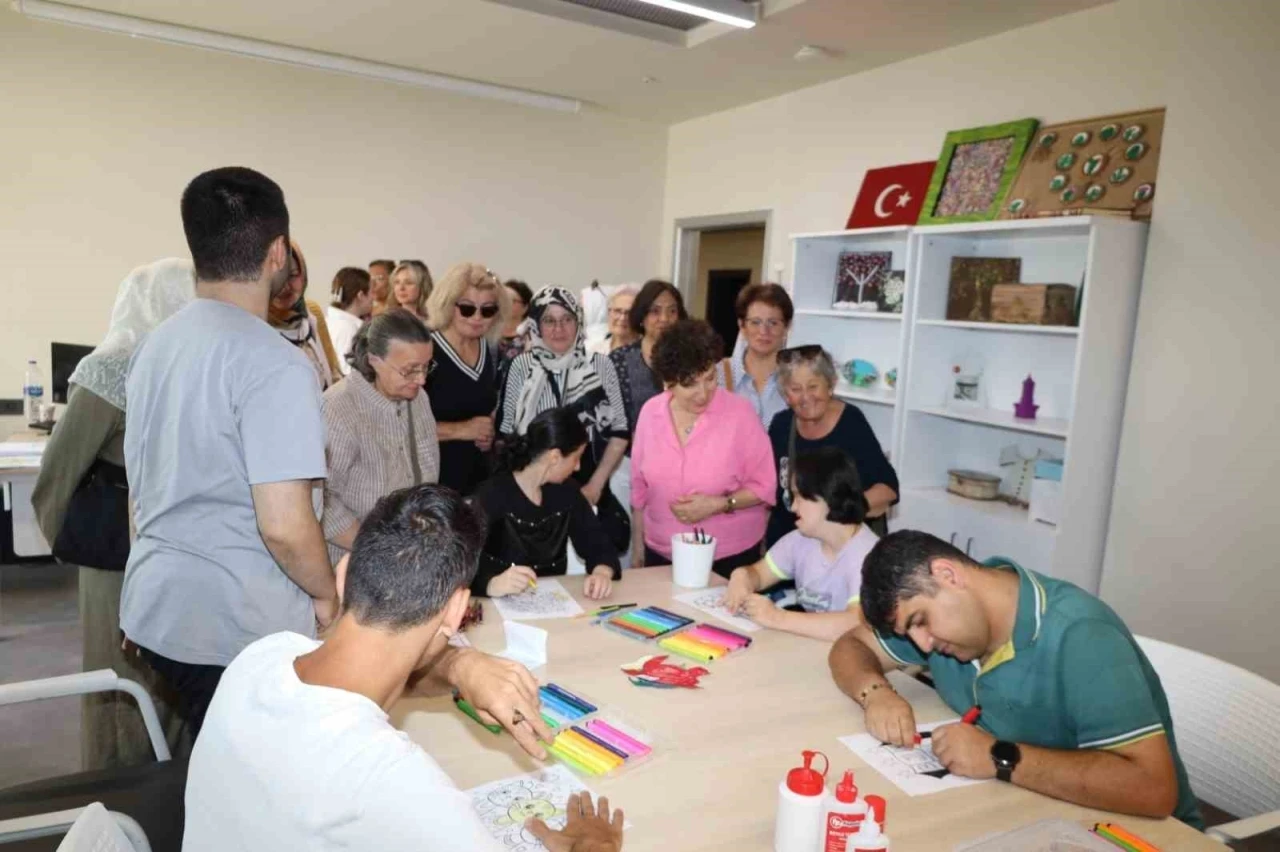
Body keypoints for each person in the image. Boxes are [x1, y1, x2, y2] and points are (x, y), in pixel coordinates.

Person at [183, 483, 625, 852]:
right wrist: (595, 845)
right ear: (457, 611)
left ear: (344, 573)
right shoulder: (393, 783)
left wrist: (460, 664)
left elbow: (374, 667)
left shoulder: (261, 657)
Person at [121, 167, 338, 737]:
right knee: (255, 768)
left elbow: (139, 491)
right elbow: (284, 527)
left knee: (211, 752)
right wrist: (326, 597)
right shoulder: (276, 364)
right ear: (278, 253)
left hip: (159, 607)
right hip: (235, 623)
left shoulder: (153, 347)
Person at [829, 530, 1202, 828]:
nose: (923, 644)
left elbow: (1154, 789)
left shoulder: (1081, 635)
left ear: (948, 575)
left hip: (1132, 832)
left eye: (920, 621)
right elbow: (851, 646)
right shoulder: (949, 630)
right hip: (1026, 811)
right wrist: (875, 691)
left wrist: (998, 757)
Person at [31, 258, 195, 769]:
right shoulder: (110, 369)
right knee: (119, 680)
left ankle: (169, 793)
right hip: (118, 559)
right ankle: (116, 792)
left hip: (181, 550)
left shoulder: (193, 368)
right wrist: (75, 540)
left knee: (174, 679)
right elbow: (60, 469)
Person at [630, 319, 775, 576]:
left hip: (729, 556)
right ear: (668, 382)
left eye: (710, 379)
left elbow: (764, 486)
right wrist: (638, 544)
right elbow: (639, 487)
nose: (703, 393)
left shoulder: (740, 413)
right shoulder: (651, 413)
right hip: (661, 552)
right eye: (690, 384)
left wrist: (720, 504)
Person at [499, 288, 629, 530]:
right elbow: (507, 431)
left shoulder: (600, 365)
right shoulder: (521, 365)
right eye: (549, 320)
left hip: (586, 485)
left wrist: (596, 485)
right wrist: (526, 489)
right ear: (536, 325)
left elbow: (620, 431)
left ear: (578, 321)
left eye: (567, 319)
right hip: (532, 487)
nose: (559, 329)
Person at [323, 309, 439, 566]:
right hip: (352, 562)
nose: (421, 379)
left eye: (427, 366)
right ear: (374, 359)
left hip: (409, 556)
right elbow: (322, 499)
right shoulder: (337, 408)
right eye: (410, 370)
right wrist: (377, 548)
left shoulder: (419, 398)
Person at [724, 447, 877, 641]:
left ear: (829, 497)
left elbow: (856, 623)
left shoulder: (869, 555)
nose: (793, 506)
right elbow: (759, 574)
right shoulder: (801, 539)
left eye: (800, 497)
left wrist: (777, 617)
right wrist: (741, 577)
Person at [474, 408, 618, 600]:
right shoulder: (493, 494)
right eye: (576, 458)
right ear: (554, 457)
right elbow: (459, 564)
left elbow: (599, 546)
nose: (578, 467)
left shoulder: (567, 491)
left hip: (553, 602)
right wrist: (491, 584)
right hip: (496, 604)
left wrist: (602, 573)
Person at [767, 345, 898, 544]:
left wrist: (837, 515)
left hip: (838, 548)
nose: (806, 397)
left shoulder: (851, 422)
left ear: (830, 386)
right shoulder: (781, 425)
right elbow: (771, 490)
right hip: (787, 544)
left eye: (813, 387)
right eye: (796, 389)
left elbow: (888, 489)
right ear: (785, 394)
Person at [607, 280, 686, 531]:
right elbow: (614, 421)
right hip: (628, 466)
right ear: (641, 316)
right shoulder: (619, 360)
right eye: (655, 311)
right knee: (629, 542)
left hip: (682, 470)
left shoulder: (691, 360)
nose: (664, 318)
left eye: (672, 311)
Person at [426, 262, 510, 495]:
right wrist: (460, 430)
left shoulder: (492, 351)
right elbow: (399, 425)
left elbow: (490, 407)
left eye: (488, 310)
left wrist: (489, 431)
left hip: (479, 485)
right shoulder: (424, 351)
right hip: (431, 486)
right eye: (466, 308)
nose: (477, 317)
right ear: (447, 304)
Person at [268, 241, 343, 390]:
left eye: (293, 275)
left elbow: (333, 371)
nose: (285, 287)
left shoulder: (312, 312)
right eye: (276, 278)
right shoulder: (255, 325)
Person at [719, 283, 792, 430]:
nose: (764, 331)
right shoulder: (716, 376)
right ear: (742, 325)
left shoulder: (797, 379)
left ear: (787, 327)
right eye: (755, 322)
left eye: (773, 323)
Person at [326, 266, 373, 374]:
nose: (373, 298)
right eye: (372, 292)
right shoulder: (347, 329)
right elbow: (348, 372)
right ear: (361, 295)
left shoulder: (331, 321)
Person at [588, 285, 638, 356]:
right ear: (609, 312)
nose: (622, 318)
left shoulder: (646, 353)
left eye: (629, 313)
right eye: (617, 311)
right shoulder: (596, 352)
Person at [497, 278, 534, 364]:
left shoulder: (531, 337)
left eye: (513, 301)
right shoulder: (489, 332)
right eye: (504, 299)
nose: (506, 304)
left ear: (525, 308)